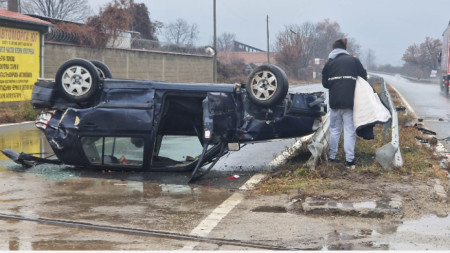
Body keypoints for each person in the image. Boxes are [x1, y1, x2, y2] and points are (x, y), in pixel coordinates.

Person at [321, 38, 367, 168]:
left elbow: (325, 84)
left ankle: (332, 156)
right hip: (350, 102)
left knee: (334, 130)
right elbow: (363, 77)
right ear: (344, 48)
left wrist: (335, 83)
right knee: (349, 130)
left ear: (333, 49)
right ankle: (349, 161)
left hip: (335, 102)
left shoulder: (329, 63)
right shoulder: (353, 61)